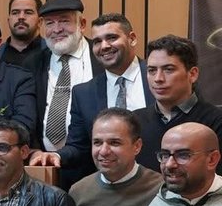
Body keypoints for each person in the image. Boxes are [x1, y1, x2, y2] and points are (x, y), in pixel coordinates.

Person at [132, 35, 222, 178]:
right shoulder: (134, 121)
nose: (158, 78)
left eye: (168, 69)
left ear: (192, 74)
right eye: (152, 70)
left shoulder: (219, 123)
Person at [55, 13, 151, 180]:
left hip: (158, 181)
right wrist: (56, 155)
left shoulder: (157, 77)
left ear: (132, 39)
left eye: (112, 38)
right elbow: (78, 146)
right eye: (97, 41)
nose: (104, 46)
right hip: (108, 185)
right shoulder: (84, 93)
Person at [27, 0, 102, 188]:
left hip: (95, 169)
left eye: (64, 21)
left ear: (82, 24)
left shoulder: (102, 59)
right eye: (50, 23)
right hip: (45, 169)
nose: (57, 29)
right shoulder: (33, 64)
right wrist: (34, 150)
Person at [0, 0, 47, 70]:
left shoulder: (52, 54)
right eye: (15, 13)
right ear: (9, 21)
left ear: (40, 21)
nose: (21, 17)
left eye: (28, 12)